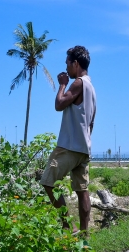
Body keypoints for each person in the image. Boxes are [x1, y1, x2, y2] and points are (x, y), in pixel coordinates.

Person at [40, 46, 96, 237]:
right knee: (82, 190)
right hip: (84, 148)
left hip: (69, 146)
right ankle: (85, 235)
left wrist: (62, 84)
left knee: (47, 181)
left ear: (75, 64)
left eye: (67, 63)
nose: (66, 67)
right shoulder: (92, 88)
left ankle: (68, 226)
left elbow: (59, 104)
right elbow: (91, 121)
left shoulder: (78, 83)